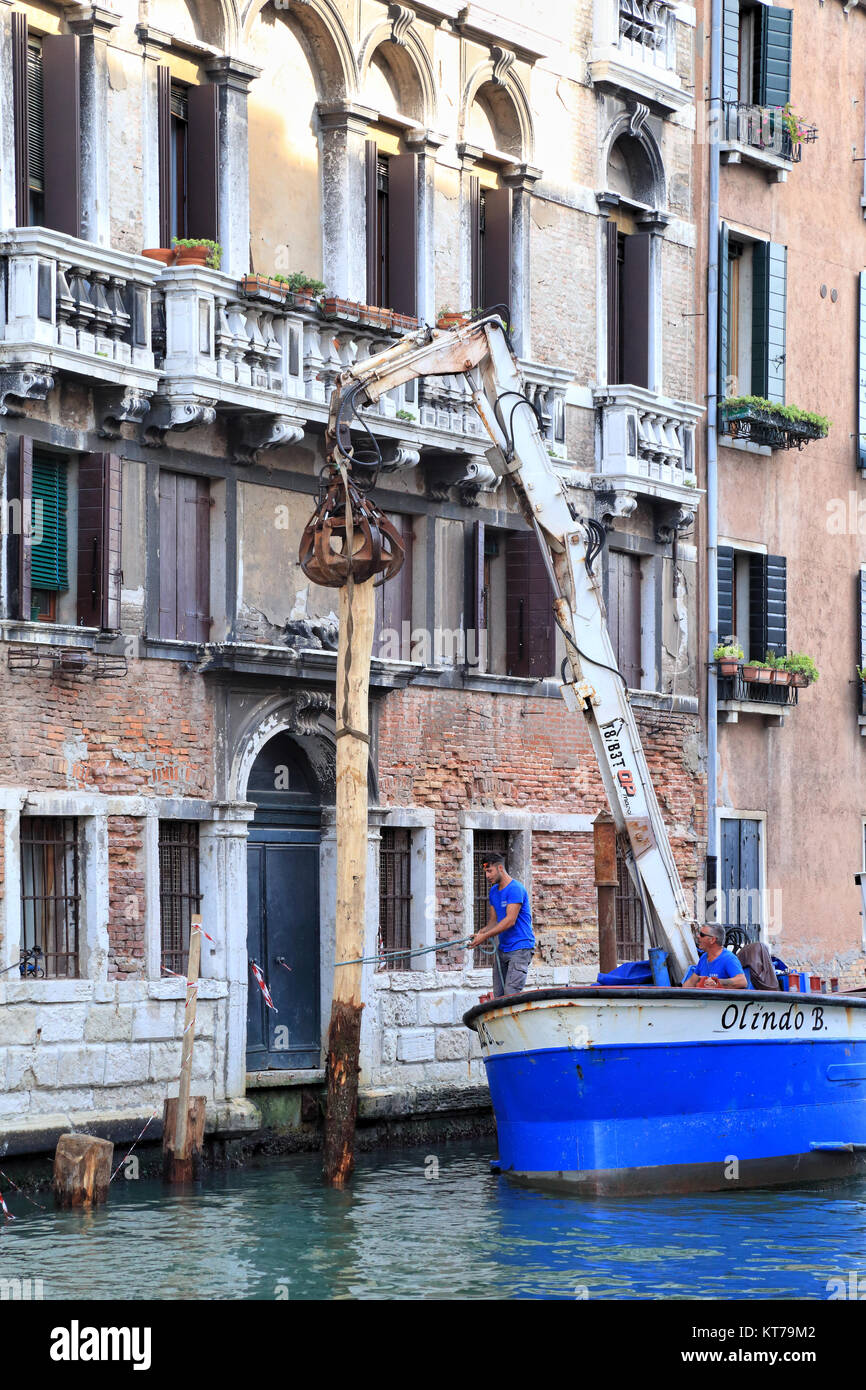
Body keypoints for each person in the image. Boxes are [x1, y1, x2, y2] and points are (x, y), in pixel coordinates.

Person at [469, 854, 535, 999]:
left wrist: (485, 937)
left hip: (520, 948)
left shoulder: (515, 889)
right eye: (485, 872)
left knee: (510, 995)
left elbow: (510, 920)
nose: (487, 876)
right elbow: (494, 921)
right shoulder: (493, 891)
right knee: (498, 996)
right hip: (503, 949)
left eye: (489, 871)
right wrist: (480, 933)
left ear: (500, 868)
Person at [682, 923, 748, 989]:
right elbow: (691, 982)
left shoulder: (729, 959)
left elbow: (742, 981)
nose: (698, 936)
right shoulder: (704, 958)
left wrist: (717, 982)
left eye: (702, 935)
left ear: (712, 940)